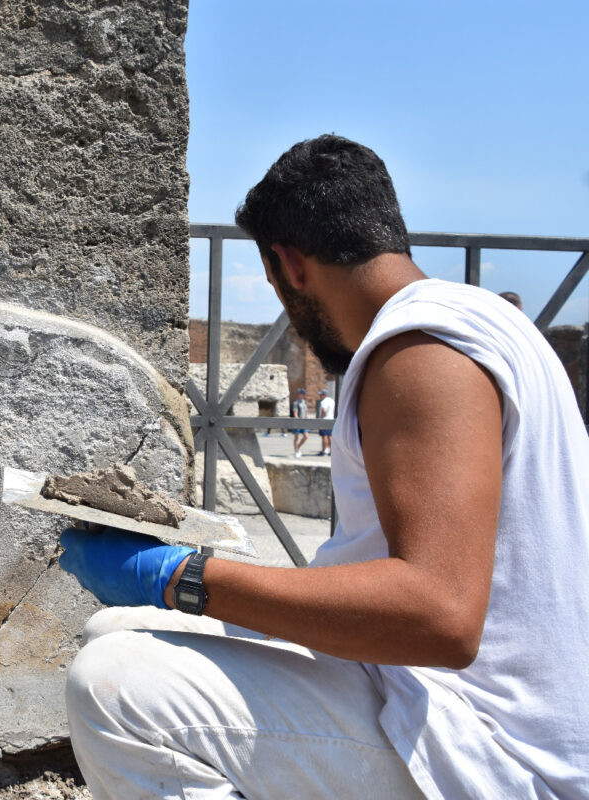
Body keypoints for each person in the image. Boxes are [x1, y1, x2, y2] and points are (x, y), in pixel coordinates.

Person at [58, 134, 589, 799]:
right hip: (442, 701)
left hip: (494, 753)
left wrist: (183, 578)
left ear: (289, 265)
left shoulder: (421, 352)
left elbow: (441, 617)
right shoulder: (475, 322)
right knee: (114, 629)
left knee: (115, 688)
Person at [289, 387, 309, 456]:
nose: (301, 395)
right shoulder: (295, 403)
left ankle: (298, 447)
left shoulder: (304, 402)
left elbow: (306, 412)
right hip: (298, 422)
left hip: (304, 422)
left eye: (302, 394)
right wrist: (297, 421)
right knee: (296, 437)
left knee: (306, 436)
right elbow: (295, 413)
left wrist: (307, 419)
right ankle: (296, 451)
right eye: (300, 393)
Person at [316, 387, 335, 455]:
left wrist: (320, 418)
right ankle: (331, 451)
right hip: (331, 419)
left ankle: (324, 450)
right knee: (330, 436)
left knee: (324, 436)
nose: (320, 396)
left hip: (324, 420)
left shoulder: (323, 402)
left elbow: (324, 411)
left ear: (324, 395)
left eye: (321, 394)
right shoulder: (332, 400)